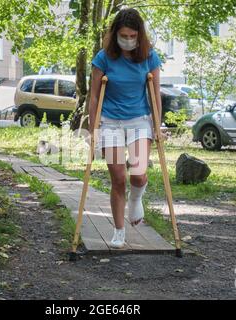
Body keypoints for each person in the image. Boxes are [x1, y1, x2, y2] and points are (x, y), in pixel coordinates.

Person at [89, 8, 163, 249]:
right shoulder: (103, 58)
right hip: (110, 121)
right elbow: (94, 96)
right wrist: (93, 130)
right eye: (124, 35)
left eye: (133, 36)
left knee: (139, 173)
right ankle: (119, 230)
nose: (128, 40)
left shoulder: (149, 57)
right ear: (115, 34)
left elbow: (155, 96)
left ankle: (136, 198)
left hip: (140, 120)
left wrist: (157, 125)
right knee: (118, 178)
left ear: (139, 35)